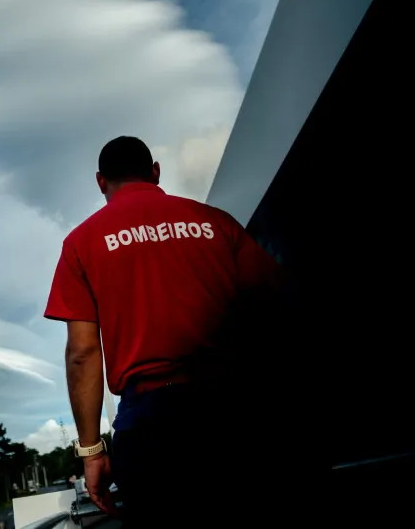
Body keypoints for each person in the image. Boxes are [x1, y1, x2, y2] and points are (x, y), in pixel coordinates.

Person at [43, 136, 285, 526]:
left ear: (101, 182)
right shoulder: (215, 222)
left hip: (151, 424)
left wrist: (92, 451)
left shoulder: (80, 243)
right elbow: (275, 310)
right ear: (155, 171)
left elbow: (82, 353)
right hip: (235, 409)